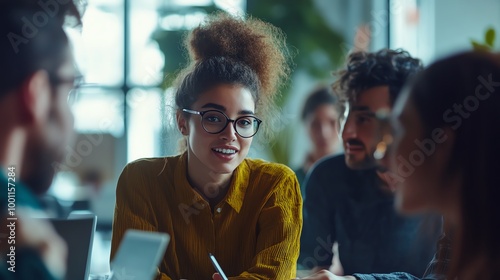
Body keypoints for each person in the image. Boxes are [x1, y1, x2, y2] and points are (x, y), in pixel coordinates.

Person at [110, 12, 302, 280]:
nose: (230, 134)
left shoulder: (276, 186)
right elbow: (131, 276)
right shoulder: (141, 181)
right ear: (182, 122)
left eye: (244, 121)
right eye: (213, 118)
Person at [299, 49, 441, 276]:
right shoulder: (328, 177)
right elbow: (309, 264)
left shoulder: (448, 186)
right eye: (345, 115)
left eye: (364, 119)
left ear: (404, 119)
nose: (345, 133)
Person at [0, 0, 81, 279]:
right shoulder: (17, 216)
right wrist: (46, 261)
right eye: (69, 91)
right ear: (36, 94)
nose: (72, 119)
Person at [294, 85, 341, 193]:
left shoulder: (357, 178)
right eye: (315, 124)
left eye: (332, 122)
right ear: (305, 127)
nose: (324, 133)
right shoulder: (291, 181)